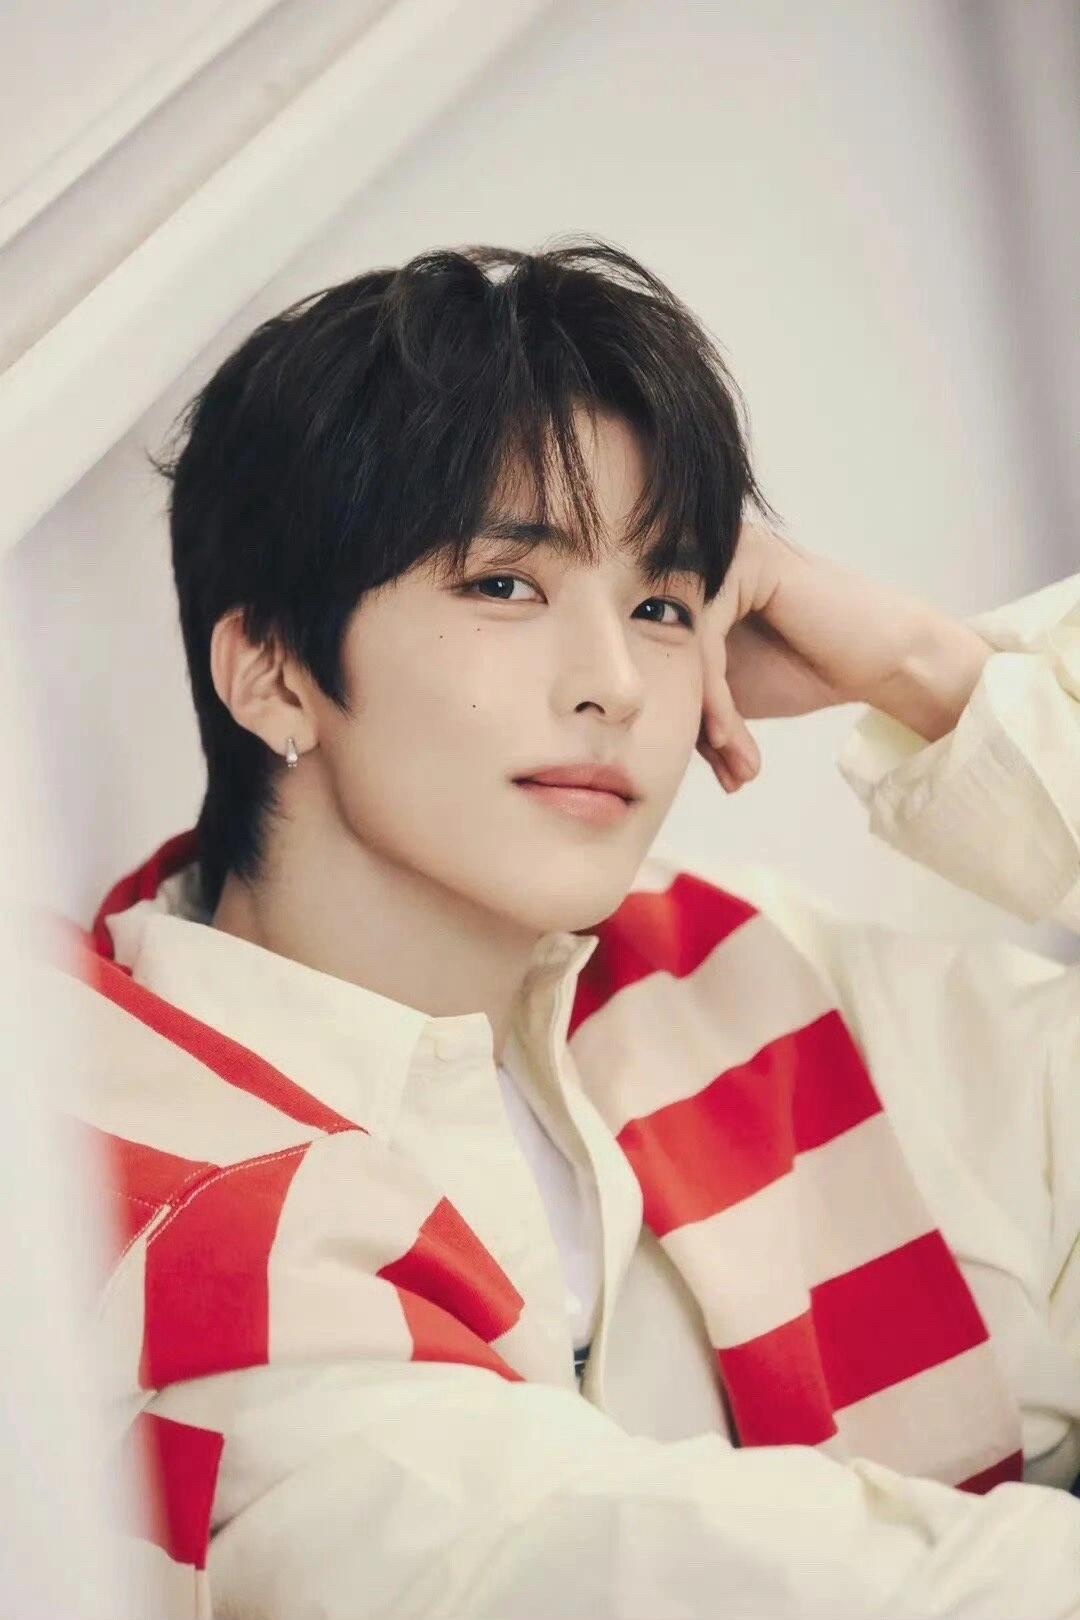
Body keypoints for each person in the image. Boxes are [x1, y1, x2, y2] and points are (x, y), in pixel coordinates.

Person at [40, 239, 1078, 1618]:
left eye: (662, 605)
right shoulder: (127, 1177)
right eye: (505, 585)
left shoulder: (734, 976)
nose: (615, 684)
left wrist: (928, 670)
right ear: (275, 671)